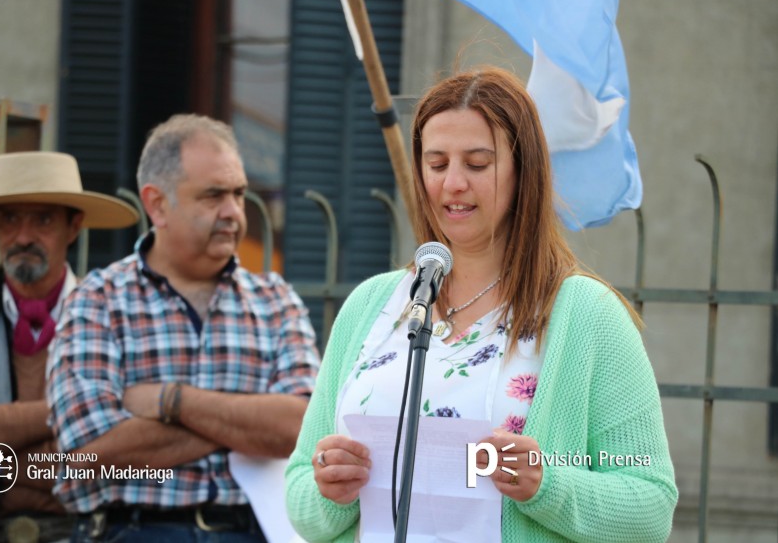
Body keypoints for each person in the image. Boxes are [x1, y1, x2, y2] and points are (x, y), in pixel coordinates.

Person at [285, 67, 679, 542]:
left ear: (522, 171)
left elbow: (650, 505)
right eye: (436, 164)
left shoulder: (588, 315)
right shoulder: (371, 305)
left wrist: (546, 485)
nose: (453, 183)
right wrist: (330, 490)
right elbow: (300, 491)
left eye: (477, 164)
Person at [46, 114, 322, 542]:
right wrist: (244, 426)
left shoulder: (274, 300)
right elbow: (90, 455)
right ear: (156, 204)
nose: (234, 212)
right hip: (132, 531)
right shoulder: (98, 300)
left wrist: (171, 400)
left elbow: (300, 429)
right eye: (213, 196)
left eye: (238, 193)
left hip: (249, 531)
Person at [0, 151, 139, 542]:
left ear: (73, 226)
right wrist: (67, 414)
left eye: (42, 219)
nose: (23, 237)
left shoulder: (113, 313)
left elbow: (130, 457)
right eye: (10, 218)